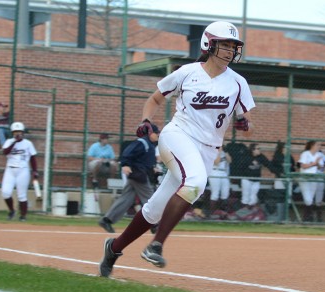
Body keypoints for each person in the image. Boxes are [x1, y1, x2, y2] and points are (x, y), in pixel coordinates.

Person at [99, 21, 255, 277]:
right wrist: (146, 121)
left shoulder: (238, 83)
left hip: (207, 150)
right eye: (224, 44)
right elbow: (155, 99)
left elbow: (249, 125)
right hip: (177, 136)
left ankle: (113, 248)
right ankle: (156, 245)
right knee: (195, 182)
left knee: (155, 208)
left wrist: (244, 123)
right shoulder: (188, 72)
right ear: (209, 44)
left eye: (233, 46)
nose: (229, 50)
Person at [98, 123, 160, 233]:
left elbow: (146, 161)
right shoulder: (142, 142)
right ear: (150, 133)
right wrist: (125, 164)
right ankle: (154, 224)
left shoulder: (149, 145)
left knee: (126, 199)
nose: (158, 135)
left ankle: (107, 220)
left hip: (139, 173)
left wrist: (153, 168)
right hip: (138, 173)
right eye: (156, 132)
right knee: (150, 198)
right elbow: (127, 152)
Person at [1, 122, 38, 221]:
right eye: (15, 132)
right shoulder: (9, 141)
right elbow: (5, 152)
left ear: (23, 132)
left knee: (22, 195)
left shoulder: (28, 143)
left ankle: (23, 215)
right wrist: (14, 142)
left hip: (23, 170)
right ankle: (12, 210)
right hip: (10, 170)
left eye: (20, 132)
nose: (17, 134)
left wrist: (35, 171)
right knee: (5, 192)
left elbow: (33, 158)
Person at [298, 141, 325, 222]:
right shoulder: (305, 154)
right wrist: (314, 163)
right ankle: (308, 216)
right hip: (305, 178)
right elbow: (303, 166)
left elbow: (320, 168)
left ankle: (307, 217)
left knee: (310, 198)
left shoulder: (319, 155)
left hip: (314, 178)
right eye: (317, 145)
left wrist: (319, 165)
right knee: (307, 199)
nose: (319, 146)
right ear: (312, 146)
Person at [240, 144, 270, 209]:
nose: (259, 150)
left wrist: (278, 172)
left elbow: (268, 164)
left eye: (259, 148)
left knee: (253, 197)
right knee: (245, 196)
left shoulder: (261, 157)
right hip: (247, 179)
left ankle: (250, 211)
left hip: (256, 180)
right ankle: (243, 211)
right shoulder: (247, 157)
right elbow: (241, 167)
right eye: (258, 149)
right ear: (253, 150)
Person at [207, 146, 231, 218]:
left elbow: (230, 161)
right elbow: (216, 162)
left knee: (225, 193)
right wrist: (219, 152)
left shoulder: (224, 152)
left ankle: (223, 213)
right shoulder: (213, 152)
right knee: (215, 193)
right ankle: (212, 214)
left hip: (224, 173)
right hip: (214, 172)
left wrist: (225, 152)